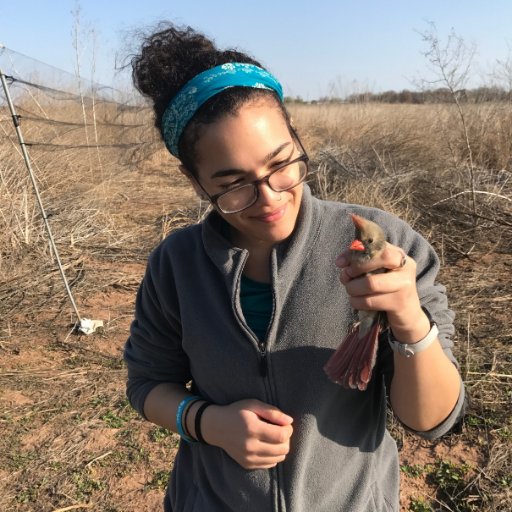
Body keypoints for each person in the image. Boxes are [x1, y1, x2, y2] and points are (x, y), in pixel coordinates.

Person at [124, 22, 466, 512]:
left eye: (282, 163)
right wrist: (206, 422)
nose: (270, 198)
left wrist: (411, 323)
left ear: (297, 138)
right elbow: (146, 384)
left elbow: (431, 420)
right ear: (195, 181)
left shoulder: (391, 245)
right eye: (233, 184)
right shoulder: (175, 266)